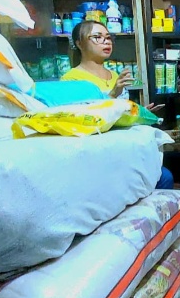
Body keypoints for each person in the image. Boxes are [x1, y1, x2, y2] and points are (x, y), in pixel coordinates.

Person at [61, 20, 173, 189]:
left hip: (124, 148)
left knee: (164, 177)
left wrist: (140, 113)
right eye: (97, 37)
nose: (106, 42)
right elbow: (80, 120)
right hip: (98, 155)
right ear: (79, 43)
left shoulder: (114, 75)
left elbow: (120, 114)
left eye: (108, 37)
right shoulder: (71, 79)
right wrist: (113, 94)